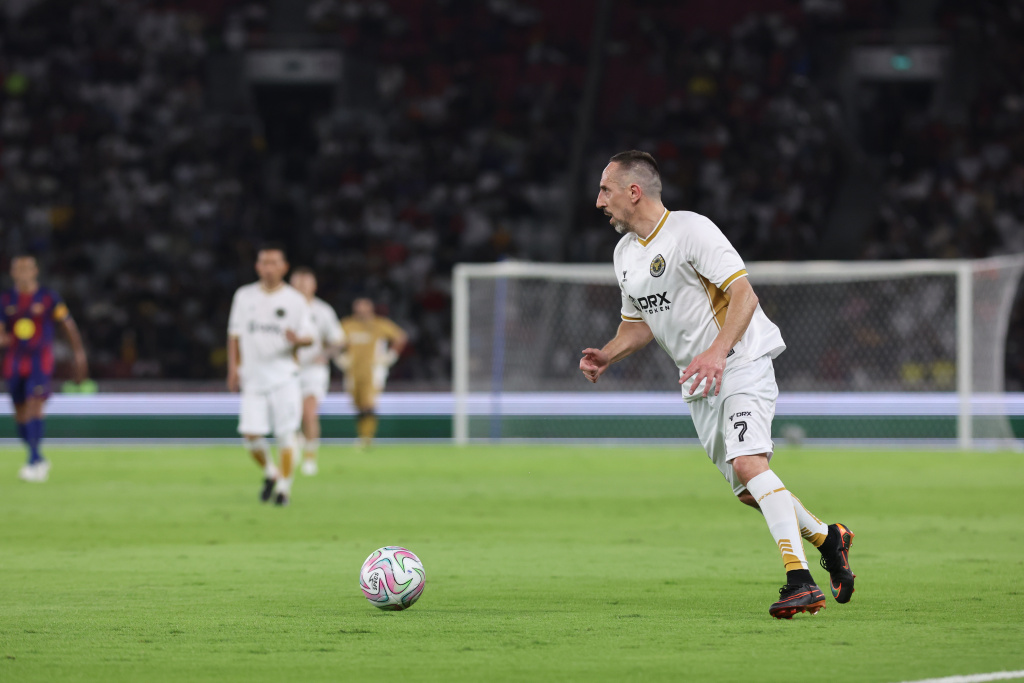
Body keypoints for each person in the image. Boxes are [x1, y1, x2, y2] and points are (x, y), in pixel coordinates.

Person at [580, 151, 855, 619]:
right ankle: (830, 539)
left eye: (606, 190)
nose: (599, 201)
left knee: (749, 463)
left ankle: (800, 581)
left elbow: (744, 294)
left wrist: (717, 351)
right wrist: (608, 353)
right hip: (700, 381)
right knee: (750, 489)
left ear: (634, 191)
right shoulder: (624, 254)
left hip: (740, 360)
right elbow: (638, 324)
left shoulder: (692, 230)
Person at [227, 245, 314, 506]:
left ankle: (284, 489)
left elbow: (309, 337)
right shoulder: (244, 296)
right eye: (264, 262)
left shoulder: (295, 300)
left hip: (284, 377)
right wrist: (233, 369)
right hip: (252, 377)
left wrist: (297, 340)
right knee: (250, 435)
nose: (268, 268)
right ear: (257, 267)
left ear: (284, 267)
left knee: (286, 434)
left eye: (274, 263)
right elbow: (234, 335)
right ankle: (270, 471)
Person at [0, 255, 88, 482]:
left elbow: (68, 326)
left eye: (27, 268)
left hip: (40, 360)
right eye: (18, 269)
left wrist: (79, 355)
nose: (23, 273)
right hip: (14, 361)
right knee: (20, 412)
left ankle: (32, 462)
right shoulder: (6, 300)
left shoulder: (49, 298)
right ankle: (37, 456)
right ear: (13, 273)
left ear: (35, 271)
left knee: (35, 405)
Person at [289, 267, 344, 476]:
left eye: (305, 284)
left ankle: (310, 458)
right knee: (289, 414)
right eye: (297, 284)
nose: (301, 288)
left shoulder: (323, 311)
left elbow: (338, 340)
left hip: (312, 369)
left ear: (314, 286)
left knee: (309, 414)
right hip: (287, 369)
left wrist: (325, 355)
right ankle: (295, 443)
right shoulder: (282, 309)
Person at [337, 298, 406, 449]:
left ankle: (367, 438)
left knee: (369, 403)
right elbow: (334, 341)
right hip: (353, 370)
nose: (361, 312)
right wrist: (339, 357)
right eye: (359, 309)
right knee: (358, 404)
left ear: (371, 309)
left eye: (364, 309)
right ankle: (363, 435)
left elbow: (400, 337)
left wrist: (391, 356)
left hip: (373, 369)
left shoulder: (379, 324)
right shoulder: (348, 324)